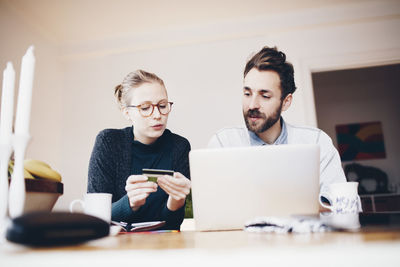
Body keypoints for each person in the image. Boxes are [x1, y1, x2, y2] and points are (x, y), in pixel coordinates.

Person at [208, 46, 346, 191]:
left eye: (265, 96)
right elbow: (207, 204)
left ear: (286, 102)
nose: (252, 105)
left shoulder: (316, 142)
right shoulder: (223, 143)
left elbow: (338, 204)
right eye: (247, 94)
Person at [88, 70, 191, 230]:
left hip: (163, 247)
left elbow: (173, 225)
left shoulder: (180, 146)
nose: (157, 115)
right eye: (145, 108)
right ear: (127, 113)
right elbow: (95, 217)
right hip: (114, 248)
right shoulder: (109, 142)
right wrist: (129, 203)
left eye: (162, 105)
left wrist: (177, 202)